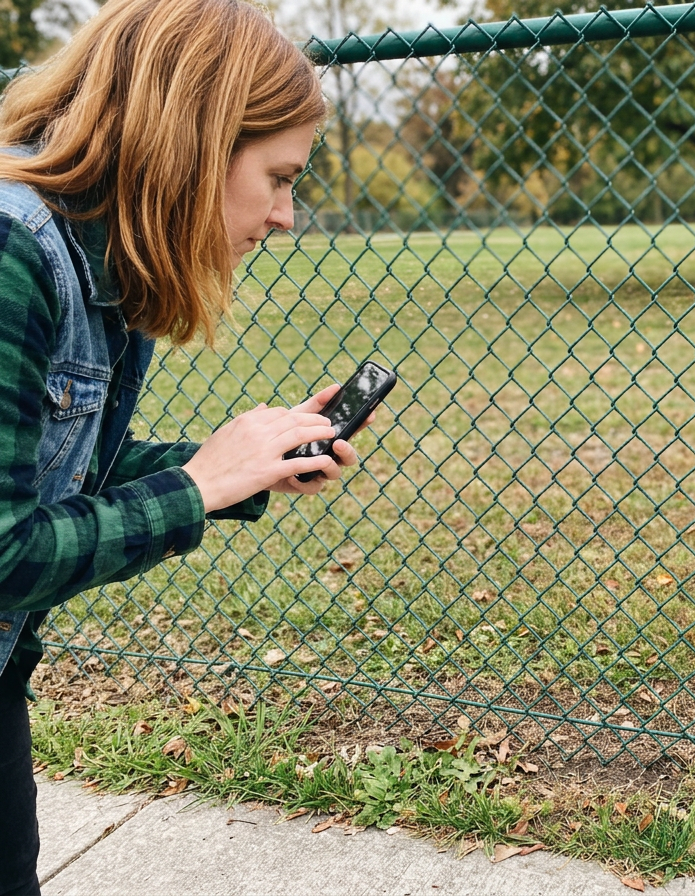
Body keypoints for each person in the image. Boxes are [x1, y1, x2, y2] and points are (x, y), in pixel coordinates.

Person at [0, 2, 363, 892]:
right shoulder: (15, 255)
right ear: (195, 144)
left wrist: (242, 466)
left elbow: (52, 465)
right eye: (278, 177)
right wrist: (198, 486)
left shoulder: (105, 266)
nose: (286, 216)